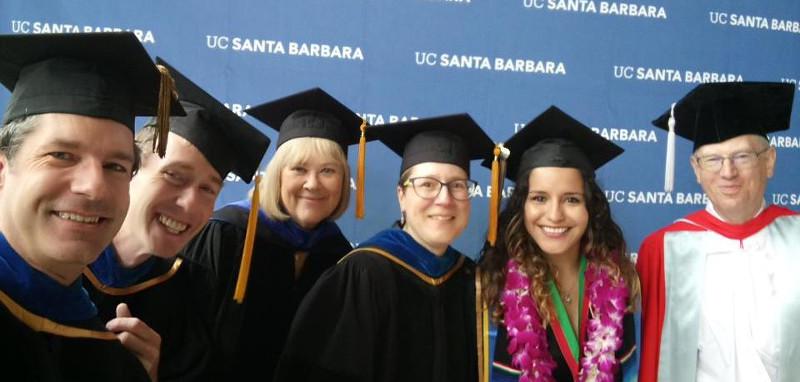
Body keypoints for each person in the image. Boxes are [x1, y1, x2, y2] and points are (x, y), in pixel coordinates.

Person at [0, 32, 182, 381]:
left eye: (116, 166)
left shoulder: (109, 353)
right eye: (62, 155)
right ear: (3, 170)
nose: (94, 186)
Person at [82, 58, 270, 381]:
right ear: (130, 168)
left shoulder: (195, 291)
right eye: (174, 176)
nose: (190, 203)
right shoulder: (57, 259)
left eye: (208, 189)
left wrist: (150, 375)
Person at [274, 113, 497, 382]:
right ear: (401, 196)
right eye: (426, 185)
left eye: (457, 186)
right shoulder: (360, 275)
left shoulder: (474, 281)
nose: (444, 199)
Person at [182, 87, 365, 379]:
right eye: (299, 169)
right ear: (277, 175)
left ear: (344, 182)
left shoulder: (342, 259)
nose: (313, 184)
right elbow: (185, 341)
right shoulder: (226, 234)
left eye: (328, 171)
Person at [637, 82, 800, 382]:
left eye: (743, 156)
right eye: (713, 159)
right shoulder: (664, 250)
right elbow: (654, 361)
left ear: (769, 161)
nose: (727, 172)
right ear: (696, 169)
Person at [478, 106, 638, 382]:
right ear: (522, 207)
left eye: (571, 199)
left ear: (591, 208)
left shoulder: (617, 282)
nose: (555, 215)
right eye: (539, 198)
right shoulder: (494, 287)